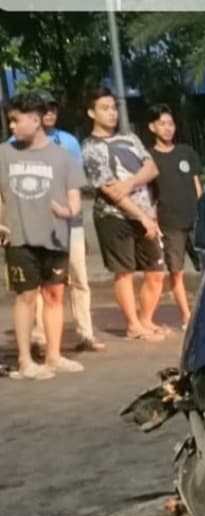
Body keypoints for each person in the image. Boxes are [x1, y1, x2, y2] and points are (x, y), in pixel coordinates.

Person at [0, 92, 86, 379]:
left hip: (56, 237)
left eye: (16, 120)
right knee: (26, 296)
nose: (11, 126)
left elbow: (74, 198)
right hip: (20, 238)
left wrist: (67, 212)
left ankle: (53, 356)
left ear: (35, 120)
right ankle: (25, 361)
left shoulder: (63, 156)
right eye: (9, 121)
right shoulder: (4, 154)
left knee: (54, 295)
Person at [12, 91, 105, 354]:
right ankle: (40, 338)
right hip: (34, 226)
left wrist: (69, 209)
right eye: (45, 109)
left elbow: (75, 181)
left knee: (78, 278)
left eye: (53, 108)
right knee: (42, 285)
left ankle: (85, 334)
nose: (50, 113)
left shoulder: (69, 142)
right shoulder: (15, 142)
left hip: (70, 224)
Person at [81, 86, 166, 342]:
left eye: (114, 108)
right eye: (105, 108)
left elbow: (151, 168)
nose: (112, 113)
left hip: (145, 213)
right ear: (91, 113)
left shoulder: (130, 138)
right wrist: (141, 216)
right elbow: (110, 192)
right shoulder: (89, 148)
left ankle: (146, 319)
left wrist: (130, 185)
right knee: (124, 272)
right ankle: (133, 325)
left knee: (155, 271)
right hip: (114, 217)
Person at [147, 104, 202, 330]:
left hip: (195, 220)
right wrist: (154, 222)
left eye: (170, 123)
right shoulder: (149, 158)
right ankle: (186, 315)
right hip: (170, 225)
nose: (168, 128)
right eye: (162, 124)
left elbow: (198, 187)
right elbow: (149, 195)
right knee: (176, 272)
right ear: (152, 127)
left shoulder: (186, 152)